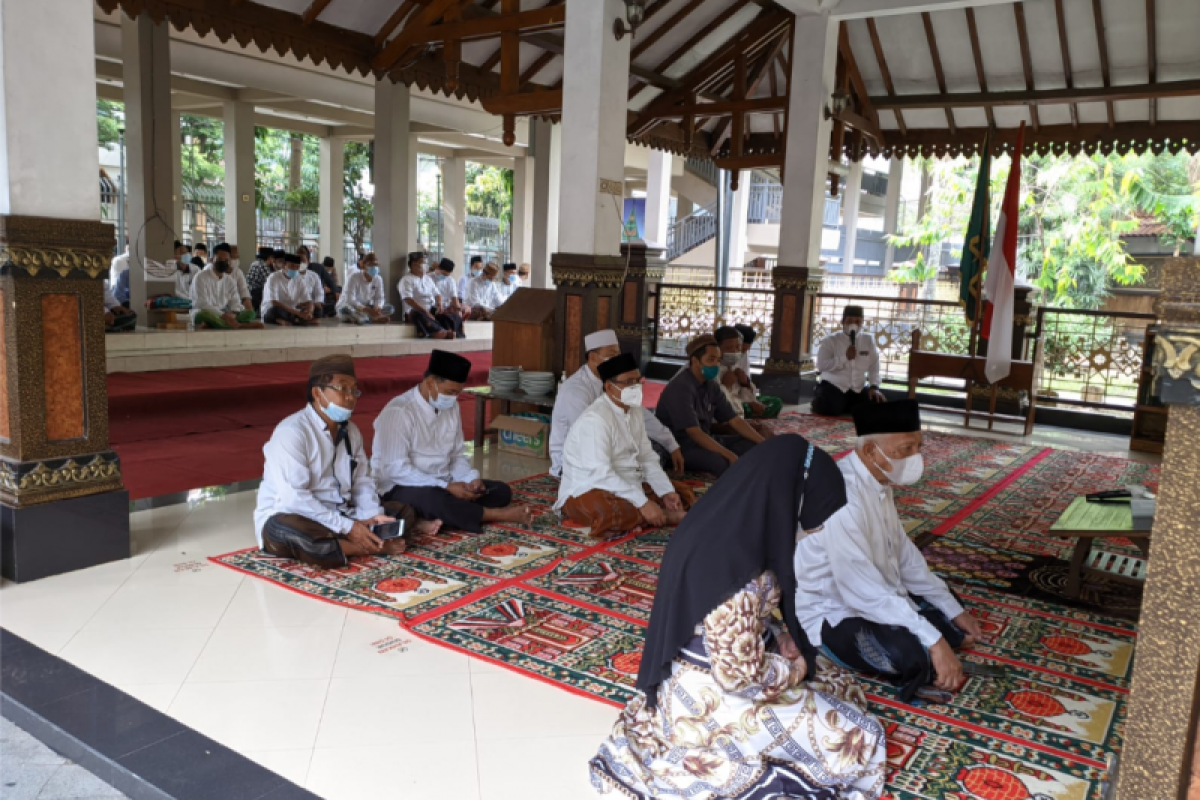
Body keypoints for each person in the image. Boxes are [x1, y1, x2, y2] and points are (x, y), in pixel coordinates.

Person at [591, 434, 886, 799]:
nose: (818, 527)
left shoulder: (726, 523)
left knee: (837, 682)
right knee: (859, 735)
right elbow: (737, 676)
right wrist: (794, 670)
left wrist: (778, 637)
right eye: (816, 513)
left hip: (695, 674)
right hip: (709, 701)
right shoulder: (739, 569)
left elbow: (742, 621)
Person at [794, 400, 983, 703]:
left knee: (945, 606)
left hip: (877, 593)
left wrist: (952, 607)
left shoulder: (880, 481)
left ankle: (932, 636)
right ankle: (925, 652)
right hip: (834, 612)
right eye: (905, 449)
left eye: (918, 447)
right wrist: (934, 640)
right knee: (905, 651)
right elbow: (860, 590)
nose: (915, 457)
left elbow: (905, 556)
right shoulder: (840, 496)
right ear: (870, 451)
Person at [254, 355, 442, 568]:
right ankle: (369, 546)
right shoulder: (292, 432)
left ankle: (359, 539)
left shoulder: (351, 431)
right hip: (298, 516)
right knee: (290, 531)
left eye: (354, 390)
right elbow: (294, 499)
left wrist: (371, 516)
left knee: (402, 511)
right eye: (342, 389)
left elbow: (361, 480)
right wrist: (349, 527)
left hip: (342, 513)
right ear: (318, 393)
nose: (351, 397)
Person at [372, 350, 535, 531]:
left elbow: (457, 455)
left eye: (457, 393)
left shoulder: (451, 406)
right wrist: (446, 487)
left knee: (500, 491)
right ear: (431, 382)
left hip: (443, 482)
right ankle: (497, 515)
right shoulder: (399, 411)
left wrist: (470, 480)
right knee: (434, 500)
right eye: (450, 392)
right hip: (401, 486)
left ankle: (422, 518)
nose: (454, 398)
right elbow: (396, 469)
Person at [556, 353, 694, 539]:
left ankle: (649, 514)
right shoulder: (595, 420)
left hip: (628, 481)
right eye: (628, 382)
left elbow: (646, 456)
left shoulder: (634, 410)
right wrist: (643, 503)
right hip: (589, 487)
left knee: (681, 493)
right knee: (606, 511)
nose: (635, 387)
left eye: (638, 381)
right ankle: (662, 516)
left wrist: (665, 490)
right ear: (609, 387)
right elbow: (601, 473)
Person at [550, 329, 682, 478]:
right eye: (611, 355)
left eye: (618, 355)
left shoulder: (615, 381)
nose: (617, 360)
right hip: (575, 460)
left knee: (655, 451)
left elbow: (642, 415)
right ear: (593, 357)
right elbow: (589, 438)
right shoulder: (575, 390)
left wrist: (671, 444)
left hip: (610, 446)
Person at [655, 334, 765, 477]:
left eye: (718, 360)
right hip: (681, 447)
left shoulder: (711, 384)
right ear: (695, 361)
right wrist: (729, 455)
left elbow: (734, 420)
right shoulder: (681, 387)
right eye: (710, 360)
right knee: (722, 462)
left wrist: (763, 443)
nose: (716, 365)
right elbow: (694, 432)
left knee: (753, 446)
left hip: (707, 439)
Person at [813, 304, 885, 416]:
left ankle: (846, 405)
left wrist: (874, 387)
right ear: (842, 322)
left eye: (857, 321)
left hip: (858, 388)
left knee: (877, 404)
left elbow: (874, 367)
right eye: (850, 321)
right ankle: (824, 399)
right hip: (835, 385)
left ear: (862, 323)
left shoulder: (868, 340)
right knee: (829, 408)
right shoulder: (831, 341)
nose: (854, 324)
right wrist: (844, 358)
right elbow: (821, 365)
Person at [714, 325, 775, 438]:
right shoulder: (712, 370)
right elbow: (719, 407)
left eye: (738, 348)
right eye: (729, 348)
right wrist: (726, 386)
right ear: (717, 348)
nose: (734, 352)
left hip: (738, 417)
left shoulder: (733, 366)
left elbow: (745, 396)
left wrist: (745, 383)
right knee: (760, 433)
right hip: (722, 421)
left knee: (766, 431)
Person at [191, 250, 262, 330]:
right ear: (212, 260)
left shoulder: (229, 280)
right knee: (204, 315)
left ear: (229, 262)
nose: (223, 262)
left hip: (226, 313)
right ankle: (240, 325)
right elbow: (202, 303)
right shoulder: (201, 276)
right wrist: (223, 315)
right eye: (219, 259)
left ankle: (214, 324)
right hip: (206, 312)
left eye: (226, 260)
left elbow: (236, 302)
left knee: (250, 313)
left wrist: (233, 313)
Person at [398, 251, 455, 340]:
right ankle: (437, 332)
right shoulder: (406, 280)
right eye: (423, 263)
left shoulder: (427, 279)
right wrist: (425, 311)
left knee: (448, 315)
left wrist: (439, 304)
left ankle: (449, 331)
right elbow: (408, 299)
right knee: (419, 314)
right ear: (414, 264)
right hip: (415, 311)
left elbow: (437, 294)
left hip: (430, 309)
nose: (426, 265)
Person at [735, 323, 784, 418]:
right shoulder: (720, 359)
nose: (743, 352)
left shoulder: (744, 355)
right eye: (741, 349)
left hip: (744, 397)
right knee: (738, 407)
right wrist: (750, 403)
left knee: (776, 402)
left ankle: (752, 413)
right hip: (731, 400)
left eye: (746, 349)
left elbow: (746, 382)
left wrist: (753, 401)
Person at [337, 253, 394, 325]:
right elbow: (350, 300)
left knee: (390, 308)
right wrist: (368, 310)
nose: (374, 267)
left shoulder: (378, 279)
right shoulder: (354, 277)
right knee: (345, 311)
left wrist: (378, 307)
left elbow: (380, 298)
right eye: (370, 265)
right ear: (363, 266)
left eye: (375, 265)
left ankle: (365, 318)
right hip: (352, 306)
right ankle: (371, 319)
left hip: (368, 307)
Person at [262, 254, 318, 326]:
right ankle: (295, 320)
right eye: (292, 266)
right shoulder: (273, 277)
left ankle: (293, 320)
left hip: (292, 311)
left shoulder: (299, 279)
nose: (295, 269)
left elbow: (308, 301)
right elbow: (274, 302)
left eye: (297, 267)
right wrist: (298, 313)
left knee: (317, 309)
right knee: (275, 310)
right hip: (274, 311)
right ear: (283, 266)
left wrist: (309, 312)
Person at [211, 242, 254, 313]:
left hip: (232, 308)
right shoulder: (210, 271)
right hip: (214, 309)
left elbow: (244, 291)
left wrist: (249, 311)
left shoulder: (237, 272)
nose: (235, 260)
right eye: (233, 257)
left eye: (237, 257)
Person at [431, 258, 466, 337]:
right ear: (438, 269)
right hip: (433, 306)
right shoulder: (428, 278)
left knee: (458, 313)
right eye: (443, 274)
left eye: (447, 275)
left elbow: (454, 298)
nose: (444, 277)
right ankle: (446, 333)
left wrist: (458, 310)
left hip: (446, 307)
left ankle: (457, 333)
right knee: (444, 316)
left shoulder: (450, 280)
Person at [246, 246, 275, 312]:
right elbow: (270, 281)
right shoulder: (263, 265)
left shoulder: (254, 263)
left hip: (249, 290)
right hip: (255, 291)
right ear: (270, 257)